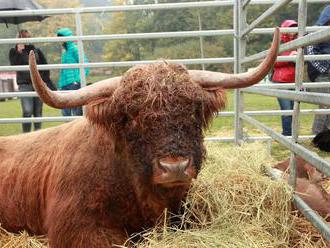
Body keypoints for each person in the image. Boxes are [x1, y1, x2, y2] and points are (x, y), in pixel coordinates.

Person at [9, 29, 56, 133]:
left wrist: (43, 81)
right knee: (27, 111)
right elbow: (14, 65)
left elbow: (45, 66)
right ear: (18, 39)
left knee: (38, 112)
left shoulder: (36, 50)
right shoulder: (13, 51)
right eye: (23, 37)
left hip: (38, 84)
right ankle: (26, 134)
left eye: (28, 37)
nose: (26, 39)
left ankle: (37, 134)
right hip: (24, 85)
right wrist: (19, 52)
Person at [305, 5, 330, 135]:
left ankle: (324, 136)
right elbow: (310, 51)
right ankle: (318, 134)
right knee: (325, 103)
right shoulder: (317, 32)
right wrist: (325, 68)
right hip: (322, 74)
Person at [271, 20, 298, 136]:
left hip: (295, 81)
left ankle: (292, 134)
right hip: (281, 81)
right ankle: (287, 134)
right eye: (290, 29)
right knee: (287, 110)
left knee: (294, 110)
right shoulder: (278, 44)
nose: (293, 31)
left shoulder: (299, 43)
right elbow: (272, 62)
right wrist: (289, 57)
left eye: (295, 28)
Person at [56, 27, 89, 116]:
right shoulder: (64, 53)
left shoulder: (75, 49)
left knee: (76, 112)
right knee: (65, 111)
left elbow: (85, 64)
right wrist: (60, 85)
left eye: (62, 38)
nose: (61, 40)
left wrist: (77, 80)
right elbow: (63, 70)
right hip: (65, 85)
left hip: (74, 85)